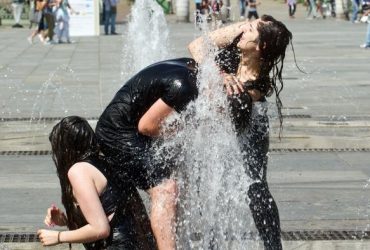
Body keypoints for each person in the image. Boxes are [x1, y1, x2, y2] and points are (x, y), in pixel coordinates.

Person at [188, 15, 293, 250]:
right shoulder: (236, 46)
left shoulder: (256, 85)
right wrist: (220, 74)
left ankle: (273, 245)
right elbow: (196, 45)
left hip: (251, 130)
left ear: (261, 46)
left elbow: (223, 106)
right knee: (212, 184)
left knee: (255, 188)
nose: (244, 29)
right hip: (220, 127)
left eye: (251, 30)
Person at [95, 58, 199, 250]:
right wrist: (185, 128)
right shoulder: (187, 85)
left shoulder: (192, 68)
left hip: (128, 129)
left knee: (179, 180)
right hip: (117, 133)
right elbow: (147, 126)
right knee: (166, 189)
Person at [37, 116, 156, 249]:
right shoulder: (105, 162)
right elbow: (108, 216)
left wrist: (59, 237)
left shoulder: (79, 170)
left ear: (64, 149)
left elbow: (100, 229)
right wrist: (64, 220)